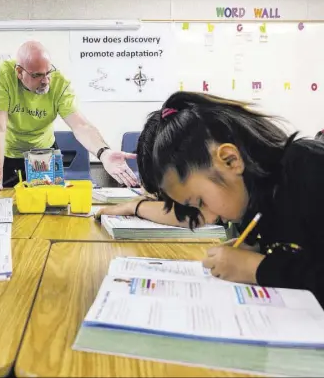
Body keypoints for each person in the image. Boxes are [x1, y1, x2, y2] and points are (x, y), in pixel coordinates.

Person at [134, 91, 324, 306]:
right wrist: (260, 251)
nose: (209, 216)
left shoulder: (311, 170)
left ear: (230, 160)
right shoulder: (256, 204)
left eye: (200, 201)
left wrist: (257, 269)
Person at [0, 40, 138, 192]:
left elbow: (80, 125)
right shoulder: (4, 76)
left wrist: (104, 153)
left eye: (48, 72)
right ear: (19, 72)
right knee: (10, 204)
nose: (46, 80)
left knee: (50, 204)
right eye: (37, 75)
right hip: (11, 154)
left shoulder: (59, 83)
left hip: (43, 153)